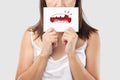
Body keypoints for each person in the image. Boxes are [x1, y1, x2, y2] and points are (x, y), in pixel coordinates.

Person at [15, 0, 100, 80]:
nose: (60, 5)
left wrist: (72, 54)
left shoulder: (91, 37)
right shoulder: (31, 35)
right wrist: (44, 54)